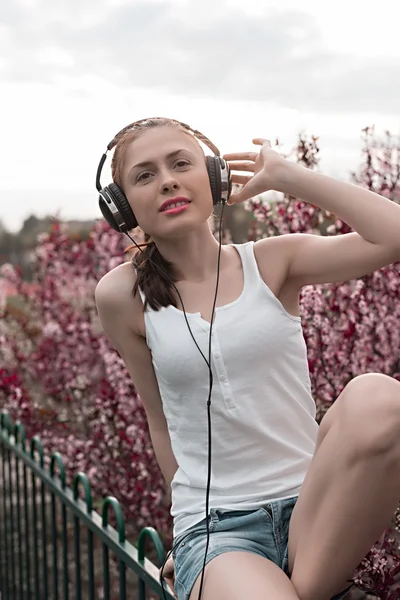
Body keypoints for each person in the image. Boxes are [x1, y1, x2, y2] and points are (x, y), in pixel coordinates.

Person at [95, 117, 400, 600]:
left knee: (381, 396)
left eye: (181, 164)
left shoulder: (274, 262)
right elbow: (160, 420)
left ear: (214, 177)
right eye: (145, 174)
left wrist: (288, 177)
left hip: (314, 512)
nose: (169, 180)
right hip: (220, 532)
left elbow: (394, 236)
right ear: (122, 206)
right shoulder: (121, 296)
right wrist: (189, 530)